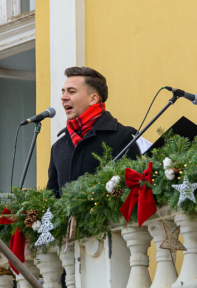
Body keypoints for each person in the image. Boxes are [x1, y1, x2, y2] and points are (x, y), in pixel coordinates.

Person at [46, 66, 139, 195]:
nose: (63, 97)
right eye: (63, 92)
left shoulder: (123, 136)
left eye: (71, 92)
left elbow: (134, 189)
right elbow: (52, 196)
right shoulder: (58, 148)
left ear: (93, 99)